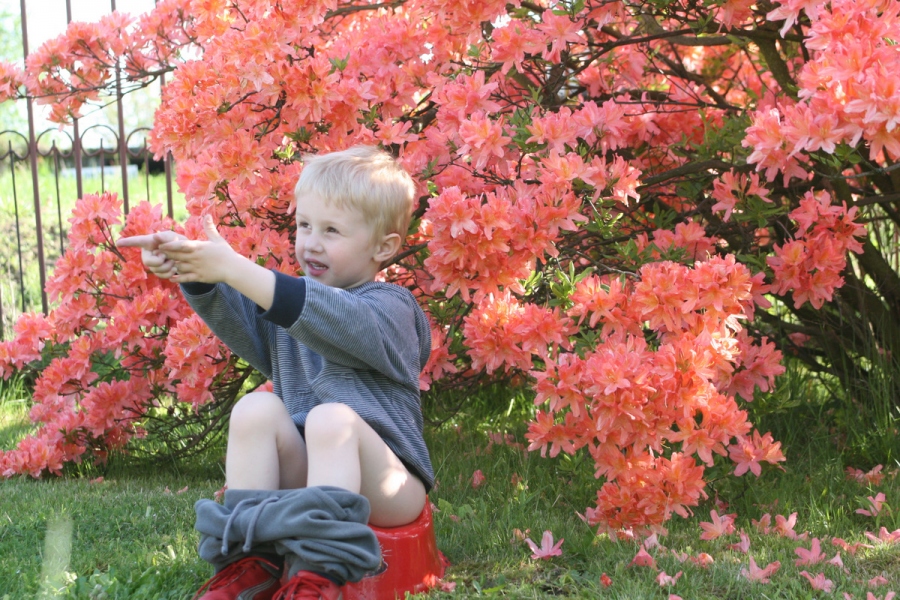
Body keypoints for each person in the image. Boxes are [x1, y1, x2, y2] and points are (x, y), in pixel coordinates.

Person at [117, 145, 434, 600]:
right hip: (313, 475)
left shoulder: (391, 310)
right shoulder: (292, 306)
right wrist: (194, 270)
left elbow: (331, 318)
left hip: (390, 487)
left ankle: (316, 578)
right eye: (304, 225)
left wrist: (235, 267)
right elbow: (245, 318)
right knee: (256, 409)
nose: (311, 242)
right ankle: (252, 562)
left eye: (332, 230)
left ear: (382, 247)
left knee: (332, 418)